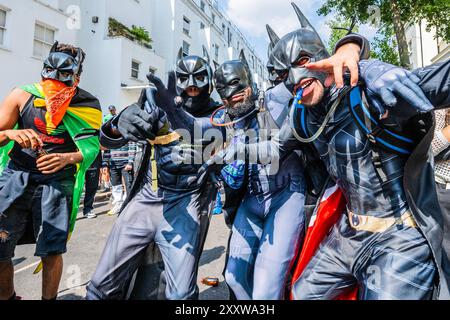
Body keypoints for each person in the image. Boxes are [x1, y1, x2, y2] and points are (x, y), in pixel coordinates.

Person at [266, 6, 450, 300]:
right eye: (282, 73)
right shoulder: (301, 115)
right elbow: (273, 147)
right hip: (347, 235)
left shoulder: (369, 94)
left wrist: (367, 66)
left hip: (399, 237)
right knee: (300, 295)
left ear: (323, 58)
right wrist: (212, 148)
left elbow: (441, 81)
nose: (293, 77)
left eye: (301, 61)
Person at [0, 42, 101, 300]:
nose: (53, 88)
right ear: (43, 72)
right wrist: (10, 133)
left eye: (62, 82)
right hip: (17, 175)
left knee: (52, 250)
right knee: (0, 247)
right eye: (49, 78)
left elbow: (91, 148)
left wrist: (67, 157)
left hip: (57, 182)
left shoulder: (88, 104)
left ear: (76, 78)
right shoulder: (21, 95)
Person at [102, 141, 136, 216]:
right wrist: (105, 164)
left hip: (125, 163)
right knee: (115, 185)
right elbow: (107, 149)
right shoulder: (109, 134)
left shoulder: (125, 131)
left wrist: (130, 162)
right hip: (113, 164)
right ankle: (118, 204)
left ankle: (129, 206)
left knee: (129, 186)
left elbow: (132, 146)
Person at [83, 151, 102, 219]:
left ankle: (88, 209)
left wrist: (101, 164)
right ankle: (70, 212)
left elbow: (99, 145)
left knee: (92, 187)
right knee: (75, 189)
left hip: (94, 163)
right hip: (79, 163)